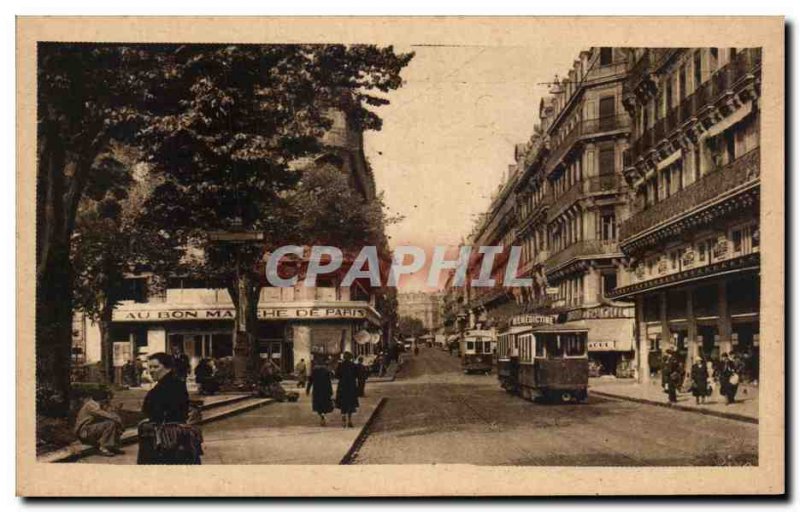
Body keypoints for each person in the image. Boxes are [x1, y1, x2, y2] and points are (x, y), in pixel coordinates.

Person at [137, 352, 202, 465]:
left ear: (167, 368)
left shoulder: (169, 386)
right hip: (171, 436)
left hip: (167, 438)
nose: (151, 370)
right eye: (150, 367)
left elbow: (159, 411)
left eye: (156, 367)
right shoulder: (170, 383)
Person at [74, 389, 124, 457]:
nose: (108, 401)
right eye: (107, 399)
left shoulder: (98, 404)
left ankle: (112, 446)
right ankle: (103, 448)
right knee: (110, 424)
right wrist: (116, 419)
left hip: (91, 429)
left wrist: (117, 419)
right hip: (84, 432)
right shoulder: (91, 405)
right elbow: (103, 414)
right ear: (102, 399)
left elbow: (110, 413)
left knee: (113, 423)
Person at [306, 357, 334, 426]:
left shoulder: (314, 370)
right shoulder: (326, 370)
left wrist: (308, 390)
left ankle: (321, 415)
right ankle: (323, 414)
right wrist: (331, 391)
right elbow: (329, 381)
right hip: (325, 389)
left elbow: (310, 381)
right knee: (325, 404)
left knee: (318, 404)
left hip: (317, 389)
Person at [335, 352, 360, 428]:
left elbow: (337, 375)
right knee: (350, 403)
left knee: (343, 402)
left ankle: (343, 417)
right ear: (350, 357)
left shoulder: (340, 365)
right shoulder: (353, 365)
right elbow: (357, 375)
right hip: (351, 386)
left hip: (342, 386)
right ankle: (350, 419)